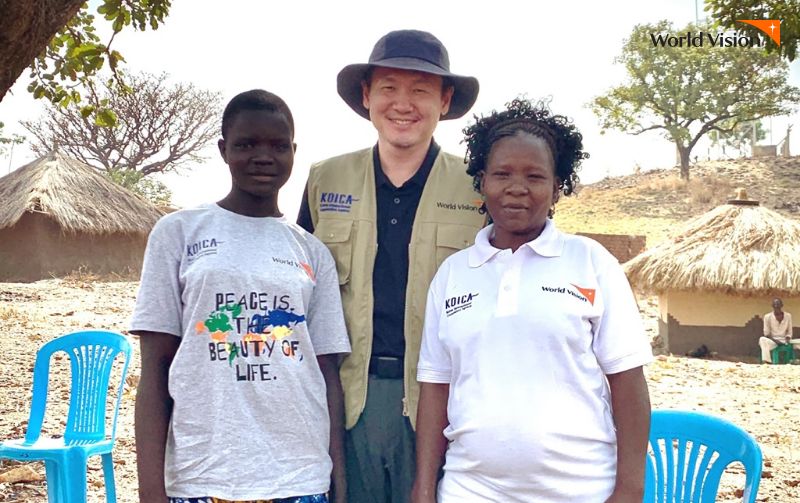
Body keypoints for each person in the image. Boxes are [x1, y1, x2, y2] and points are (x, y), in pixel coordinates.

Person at [413, 98, 653, 502]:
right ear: (482, 183)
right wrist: (423, 487)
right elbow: (436, 387)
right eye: (502, 174)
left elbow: (627, 381)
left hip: (581, 490)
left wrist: (629, 489)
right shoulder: (453, 274)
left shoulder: (591, 262)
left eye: (535, 176)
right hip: (470, 490)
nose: (517, 188)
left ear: (557, 188)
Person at [132, 89, 351, 503]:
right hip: (203, 477)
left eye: (278, 146)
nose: (263, 156)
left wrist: (336, 475)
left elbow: (327, 374)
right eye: (247, 144)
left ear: (294, 152)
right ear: (223, 150)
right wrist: (150, 492)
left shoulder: (310, 251)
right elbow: (156, 371)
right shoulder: (179, 233)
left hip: (299, 479)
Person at [296, 29, 485, 503]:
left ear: (444, 100)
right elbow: (297, 289)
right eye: (389, 88)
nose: (404, 103)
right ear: (366, 97)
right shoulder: (326, 178)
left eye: (421, 89)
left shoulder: (480, 187)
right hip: (345, 398)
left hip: (446, 401)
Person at [759, 298, 793, 363]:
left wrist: (787, 338)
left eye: (778, 305)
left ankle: (789, 361)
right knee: (762, 339)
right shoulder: (767, 317)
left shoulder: (788, 316)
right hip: (773, 341)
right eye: (775, 305)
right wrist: (775, 341)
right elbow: (766, 333)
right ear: (772, 306)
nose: (776, 306)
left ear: (781, 306)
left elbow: (789, 331)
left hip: (784, 340)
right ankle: (767, 361)